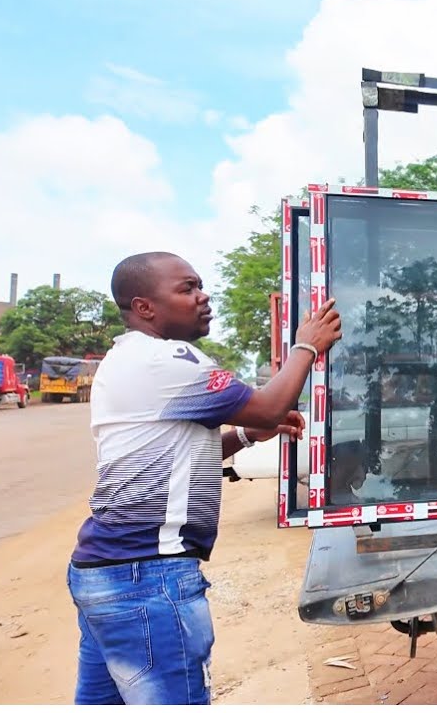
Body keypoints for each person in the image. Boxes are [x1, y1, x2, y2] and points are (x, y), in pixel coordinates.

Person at [67, 251, 342, 705]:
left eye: (200, 286)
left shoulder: (126, 359)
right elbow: (271, 405)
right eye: (187, 288)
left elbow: (179, 454)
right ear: (144, 307)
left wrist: (246, 436)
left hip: (103, 574)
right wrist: (306, 346)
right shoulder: (166, 360)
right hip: (146, 577)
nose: (203, 296)